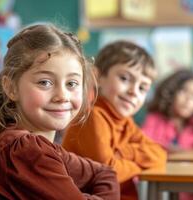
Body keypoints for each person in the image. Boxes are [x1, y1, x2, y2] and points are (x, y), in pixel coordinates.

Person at [0, 24, 119, 200]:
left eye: (71, 84)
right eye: (45, 82)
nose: (62, 96)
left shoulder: (39, 147)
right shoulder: (25, 150)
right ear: (11, 88)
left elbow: (105, 173)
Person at [62, 41, 167, 200]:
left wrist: (126, 153)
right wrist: (138, 165)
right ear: (97, 77)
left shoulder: (125, 122)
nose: (133, 92)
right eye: (124, 78)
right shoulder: (93, 117)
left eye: (142, 88)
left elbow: (159, 155)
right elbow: (109, 173)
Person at [142, 69, 193, 152]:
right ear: (170, 92)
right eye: (184, 90)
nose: (189, 99)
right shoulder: (155, 119)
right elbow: (145, 142)